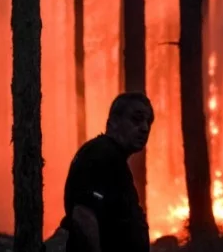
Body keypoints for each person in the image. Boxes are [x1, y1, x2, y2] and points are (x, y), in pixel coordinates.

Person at [61, 92, 154, 252]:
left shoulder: (113, 159)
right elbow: (83, 214)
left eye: (148, 122)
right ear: (113, 123)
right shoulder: (101, 153)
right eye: (136, 119)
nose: (145, 128)